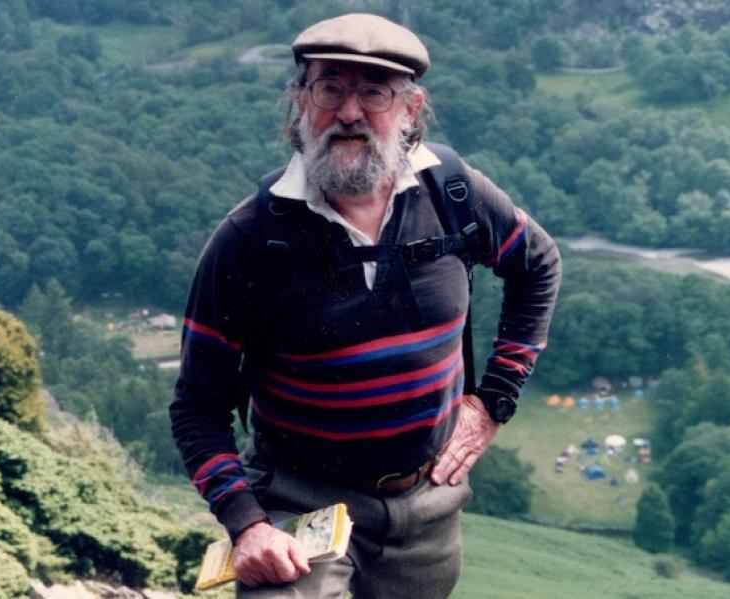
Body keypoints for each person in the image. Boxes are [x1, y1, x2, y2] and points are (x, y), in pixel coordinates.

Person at [170, 12, 561, 598]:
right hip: (299, 509)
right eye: (330, 88)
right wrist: (247, 526)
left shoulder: (455, 194)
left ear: (410, 108)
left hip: (427, 512)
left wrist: (493, 402)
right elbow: (197, 408)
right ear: (300, 101)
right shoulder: (251, 238)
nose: (349, 113)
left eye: (373, 92)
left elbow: (538, 264)